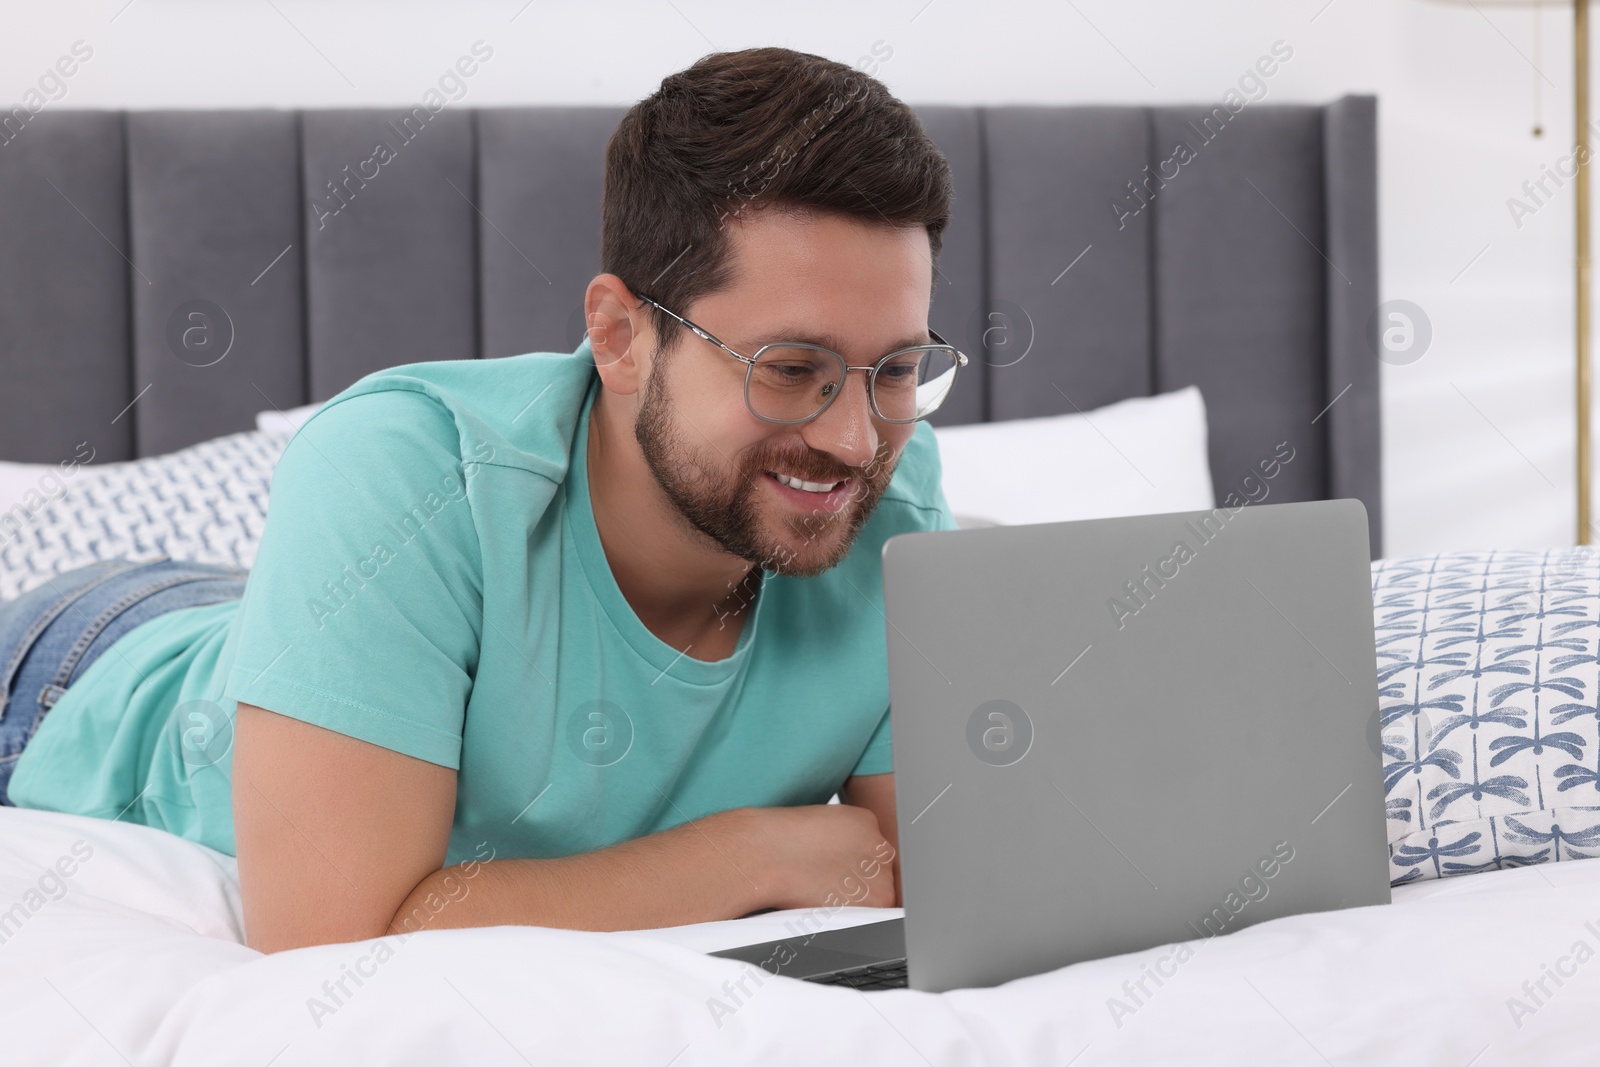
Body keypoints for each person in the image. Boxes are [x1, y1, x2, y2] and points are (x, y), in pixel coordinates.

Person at [0, 45, 966, 954]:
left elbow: (931, 873)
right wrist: (751, 854)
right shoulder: (397, 468)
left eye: (895, 368)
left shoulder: (890, 492)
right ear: (622, 337)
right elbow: (330, 934)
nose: (851, 440)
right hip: (76, 659)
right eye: (790, 368)